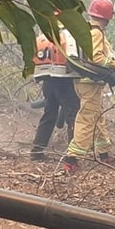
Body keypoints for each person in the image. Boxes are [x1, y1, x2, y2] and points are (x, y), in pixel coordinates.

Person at [62, 0, 115, 175]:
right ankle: (72, 158)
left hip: (89, 82)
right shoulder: (96, 32)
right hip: (90, 83)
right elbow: (97, 58)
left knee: (97, 117)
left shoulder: (87, 30)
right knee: (87, 118)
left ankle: (104, 153)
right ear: (108, 16)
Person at [28, 24, 79, 160]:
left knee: (49, 114)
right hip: (65, 81)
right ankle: (72, 156)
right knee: (73, 116)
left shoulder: (43, 37)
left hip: (48, 82)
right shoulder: (68, 36)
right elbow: (74, 59)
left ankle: (37, 151)